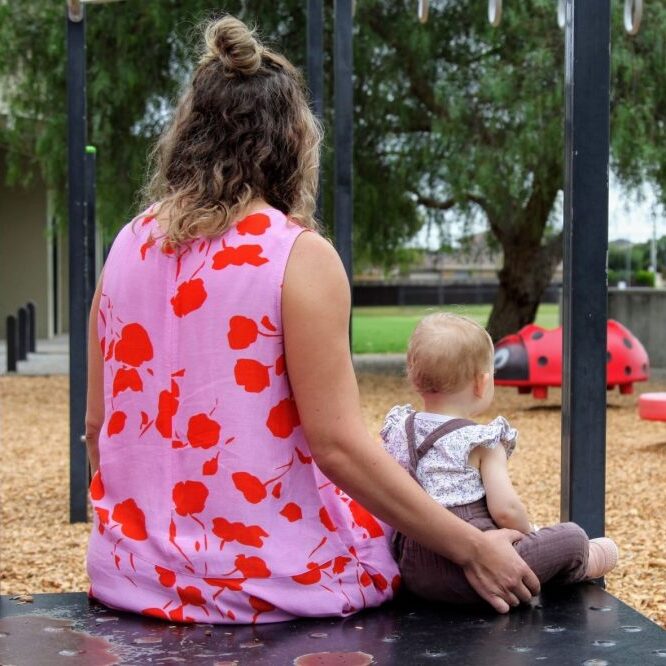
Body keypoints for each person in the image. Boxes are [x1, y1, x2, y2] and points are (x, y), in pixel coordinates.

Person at [84, 15, 540, 625]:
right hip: (270, 584)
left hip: (130, 577)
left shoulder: (125, 247)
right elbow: (338, 448)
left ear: (187, 133)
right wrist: (473, 548)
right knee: (497, 539)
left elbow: (97, 428)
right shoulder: (296, 256)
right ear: (293, 142)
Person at [381, 313, 619, 604]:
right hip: (474, 570)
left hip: (413, 568)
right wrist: (527, 535)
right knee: (572, 537)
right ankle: (584, 559)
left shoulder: (398, 427)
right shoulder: (480, 440)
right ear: (482, 383)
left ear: (414, 376)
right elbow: (506, 509)